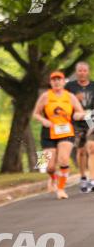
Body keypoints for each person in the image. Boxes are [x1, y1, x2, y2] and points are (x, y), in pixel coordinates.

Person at [33, 71, 86, 199]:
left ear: (63, 82)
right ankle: (52, 177)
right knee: (49, 167)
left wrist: (81, 116)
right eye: (54, 80)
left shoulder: (70, 97)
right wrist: (43, 120)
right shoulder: (45, 96)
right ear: (51, 82)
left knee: (63, 159)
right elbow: (36, 114)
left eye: (59, 79)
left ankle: (61, 189)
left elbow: (78, 112)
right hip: (48, 132)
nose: (56, 82)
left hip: (66, 131)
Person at [65, 62, 94, 192]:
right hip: (76, 121)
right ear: (76, 72)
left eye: (84, 70)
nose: (82, 73)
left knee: (92, 149)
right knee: (81, 151)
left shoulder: (93, 86)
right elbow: (62, 103)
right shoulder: (69, 86)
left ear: (88, 72)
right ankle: (83, 177)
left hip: (91, 119)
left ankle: (92, 179)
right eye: (80, 71)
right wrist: (74, 99)